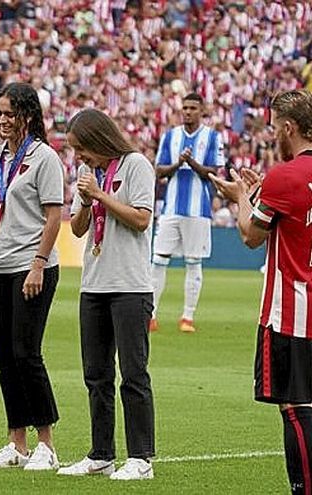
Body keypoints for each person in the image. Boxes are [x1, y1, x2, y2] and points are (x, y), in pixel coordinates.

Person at [209, 89, 312, 495]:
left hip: (291, 312)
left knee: (296, 408)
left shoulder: (284, 175)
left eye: (273, 129)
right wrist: (259, 195)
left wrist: (239, 199)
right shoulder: (281, 180)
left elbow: (251, 235)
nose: (272, 137)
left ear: (288, 127)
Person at [0, 83, 64, 470]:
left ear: (28, 115)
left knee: (26, 354)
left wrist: (39, 262)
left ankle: (47, 444)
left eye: (9, 113)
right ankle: (15, 443)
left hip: (31, 267)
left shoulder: (44, 158)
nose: (2, 120)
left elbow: (54, 215)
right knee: (5, 358)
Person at [59, 108, 156, 480]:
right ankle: (101, 454)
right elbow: (80, 229)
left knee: (133, 373)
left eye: (81, 148)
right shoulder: (88, 174)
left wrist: (100, 194)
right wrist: (86, 199)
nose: (78, 157)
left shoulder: (136, 166)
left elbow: (141, 219)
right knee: (96, 375)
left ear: (99, 139)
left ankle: (141, 458)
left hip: (130, 285)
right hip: (94, 284)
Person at [150, 92, 225, 333]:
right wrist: (178, 163)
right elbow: (159, 171)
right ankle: (150, 315)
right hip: (171, 208)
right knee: (158, 260)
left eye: (193, 108)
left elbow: (213, 173)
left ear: (201, 110)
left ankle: (187, 317)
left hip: (198, 210)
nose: (188, 112)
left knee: (193, 263)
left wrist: (190, 162)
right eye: (185, 108)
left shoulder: (212, 137)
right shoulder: (169, 136)